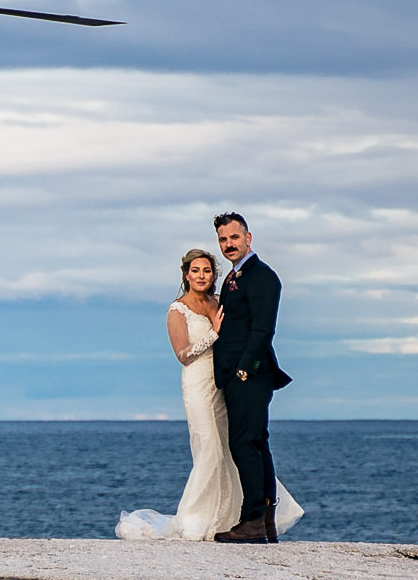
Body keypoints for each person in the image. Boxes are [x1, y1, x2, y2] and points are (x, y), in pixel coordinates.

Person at [116, 246, 303, 542]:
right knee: (209, 449)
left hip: (223, 384)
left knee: (231, 448)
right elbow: (183, 354)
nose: (201, 276)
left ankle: (234, 517)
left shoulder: (220, 301)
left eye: (206, 270)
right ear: (186, 275)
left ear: (213, 275)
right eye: (195, 271)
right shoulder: (177, 309)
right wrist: (214, 333)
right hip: (197, 385)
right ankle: (195, 518)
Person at [210, 211, 294, 543]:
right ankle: (263, 520)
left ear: (248, 237)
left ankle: (253, 518)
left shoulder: (261, 276)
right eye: (222, 239)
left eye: (234, 237)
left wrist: (245, 370)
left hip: (250, 376)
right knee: (253, 443)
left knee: (246, 444)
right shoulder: (235, 278)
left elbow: (263, 329)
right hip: (237, 376)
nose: (228, 244)